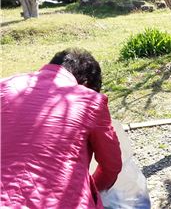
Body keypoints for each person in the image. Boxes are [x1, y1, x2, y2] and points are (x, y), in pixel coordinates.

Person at [1, 48, 122, 208]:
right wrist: (92, 190)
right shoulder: (90, 101)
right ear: (85, 83)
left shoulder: (4, 86)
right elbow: (110, 166)